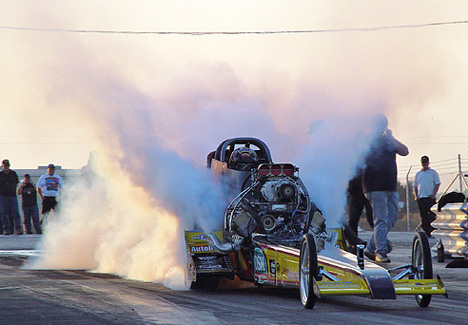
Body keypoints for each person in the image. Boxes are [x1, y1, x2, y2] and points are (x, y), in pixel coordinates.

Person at [363, 114, 409, 263]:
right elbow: (360, 164)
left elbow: (405, 151)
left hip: (390, 186)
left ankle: (370, 248)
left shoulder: (389, 141)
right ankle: (380, 252)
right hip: (375, 187)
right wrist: (365, 188)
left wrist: (391, 138)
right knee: (381, 220)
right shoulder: (368, 142)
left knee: (391, 218)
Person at [414, 155, 440, 238]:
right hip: (421, 198)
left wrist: (433, 194)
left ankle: (432, 230)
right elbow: (415, 186)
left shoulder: (433, 173)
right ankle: (426, 231)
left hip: (429, 198)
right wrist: (416, 196)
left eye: (425, 162)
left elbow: (437, 183)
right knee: (423, 216)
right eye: (423, 163)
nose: (424, 164)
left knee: (431, 215)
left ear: (428, 163)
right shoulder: (418, 174)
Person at [0, 159, 23, 235]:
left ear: (9, 165)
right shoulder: (0, 174)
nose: (6, 167)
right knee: (4, 213)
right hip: (3, 196)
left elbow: (16, 183)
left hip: (12, 196)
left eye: (7, 165)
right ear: (2, 166)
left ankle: (18, 229)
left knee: (16, 212)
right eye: (4, 165)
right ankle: (6, 229)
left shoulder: (13, 173)